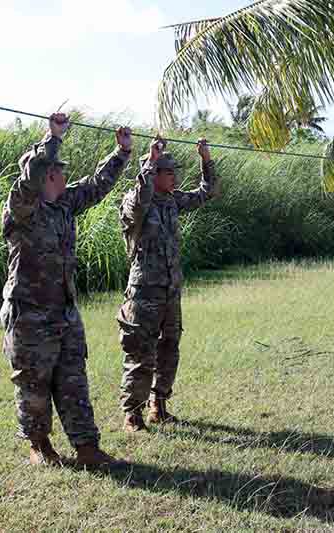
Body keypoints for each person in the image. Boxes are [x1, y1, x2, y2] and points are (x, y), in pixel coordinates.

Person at [0, 113, 130, 467]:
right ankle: (39, 447)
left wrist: (121, 153)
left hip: (64, 310)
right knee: (34, 385)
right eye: (56, 171)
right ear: (43, 175)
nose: (63, 175)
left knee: (73, 379)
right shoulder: (21, 208)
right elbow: (28, 182)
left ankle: (87, 448)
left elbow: (97, 185)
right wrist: (52, 137)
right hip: (29, 313)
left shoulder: (64, 204)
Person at [118, 137, 219, 433]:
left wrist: (205, 157)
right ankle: (132, 414)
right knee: (140, 353)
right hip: (144, 293)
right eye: (168, 171)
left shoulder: (172, 200)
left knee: (169, 349)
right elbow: (137, 202)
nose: (174, 176)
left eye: (173, 171)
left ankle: (158, 405)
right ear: (154, 174)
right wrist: (150, 161)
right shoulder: (136, 201)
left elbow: (207, 191)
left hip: (170, 291)